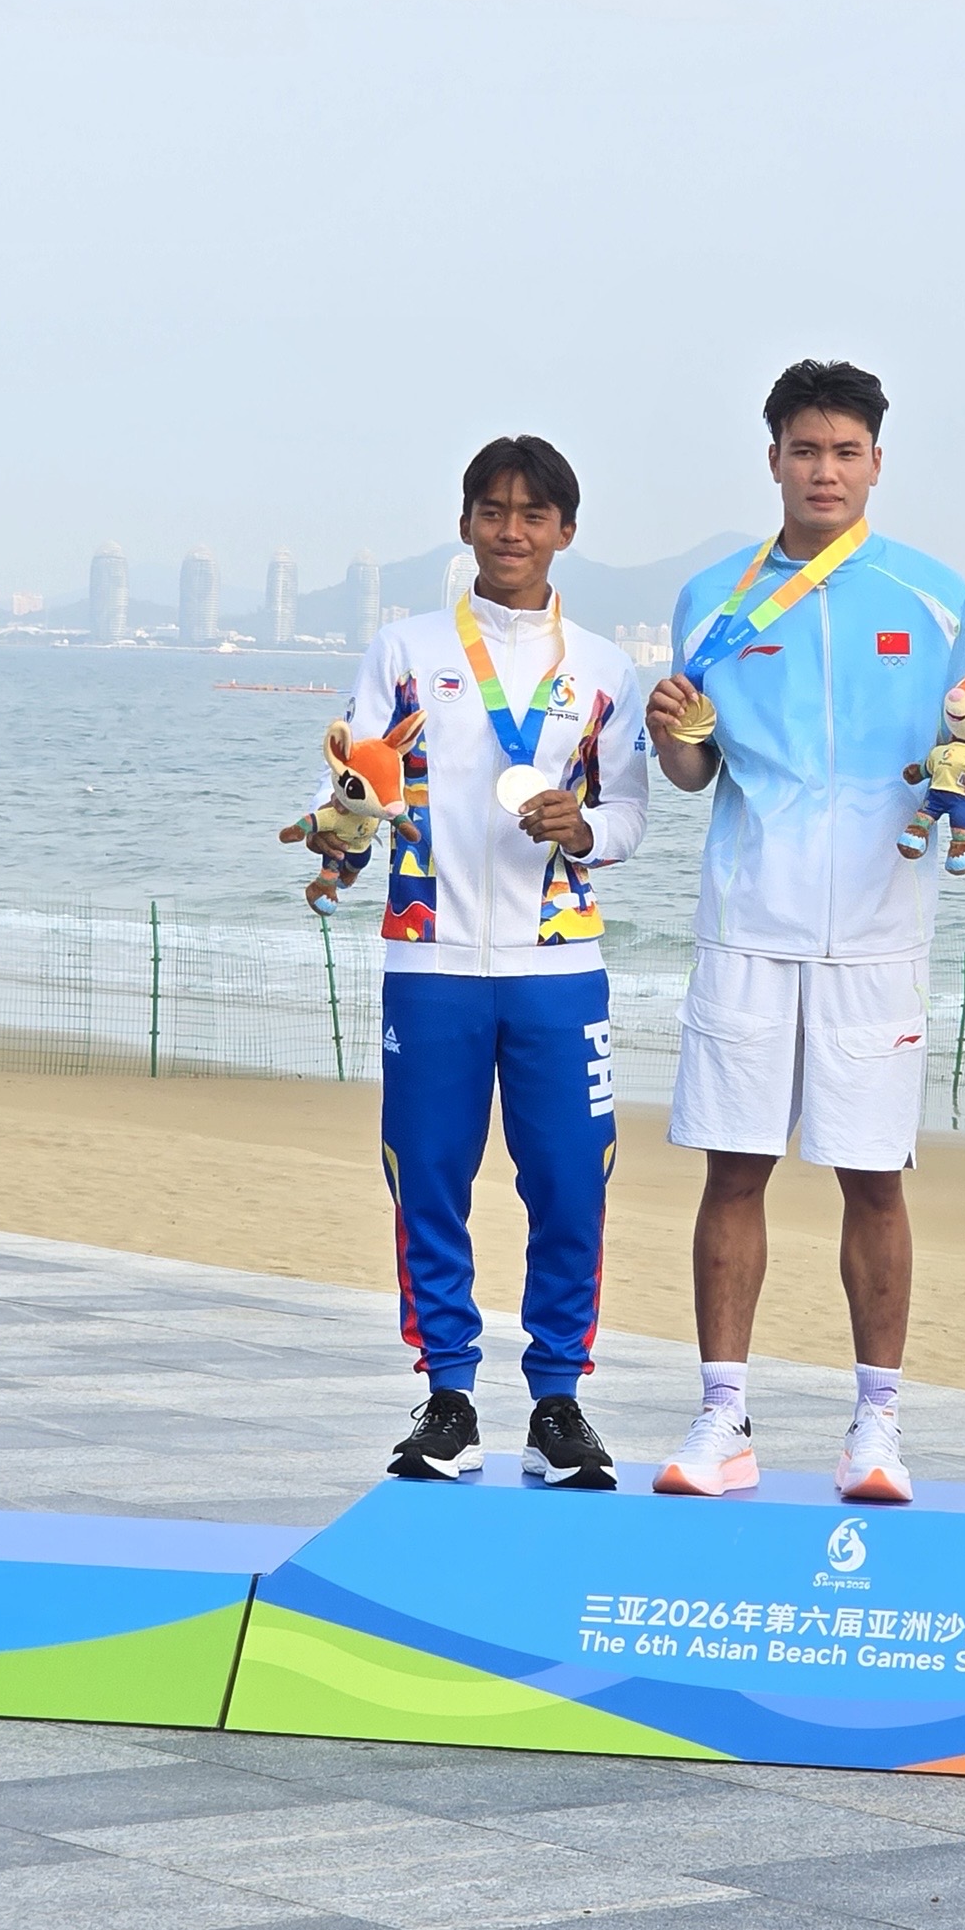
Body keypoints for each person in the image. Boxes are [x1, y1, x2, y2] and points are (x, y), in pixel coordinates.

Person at [644, 359, 965, 1503]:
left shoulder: (936, 598)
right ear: (774, 460)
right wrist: (671, 735)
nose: (824, 471)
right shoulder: (713, 599)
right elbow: (693, 771)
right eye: (805, 451)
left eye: (845, 452)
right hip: (748, 921)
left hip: (882, 928)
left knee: (873, 1180)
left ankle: (876, 1429)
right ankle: (722, 1419)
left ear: (877, 463)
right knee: (733, 1169)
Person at [315, 436, 647, 1489]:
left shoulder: (603, 668)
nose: (511, 531)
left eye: (533, 514)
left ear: (566, 531)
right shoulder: (404, 650)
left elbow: (631, 813)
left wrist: (585, 828)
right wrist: (335, 839)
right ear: (464, 524)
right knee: (426, 1177)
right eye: (493, 511)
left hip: (559, 967)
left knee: (571, 1185)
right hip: (430, 958)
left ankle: (558, 1401)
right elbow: (357, 782)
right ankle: (449, 1396)